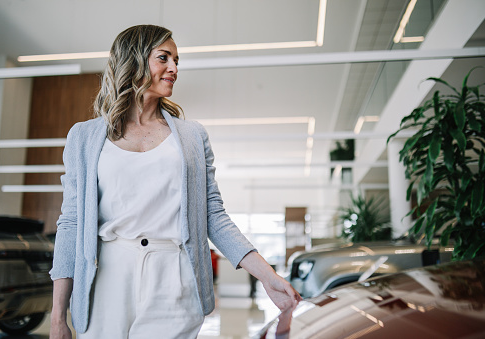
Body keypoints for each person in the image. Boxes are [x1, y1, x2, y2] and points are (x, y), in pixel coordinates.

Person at [49, 24, 301, 339]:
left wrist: (267, 276)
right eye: (164, 58)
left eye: (177, 61)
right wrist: (58, 316)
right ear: (135, 60)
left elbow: (213, 215)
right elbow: (71, 223)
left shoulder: (192, 137)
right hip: (106, 277)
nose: (174, 69)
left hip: (174, 275)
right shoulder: (84, 137)